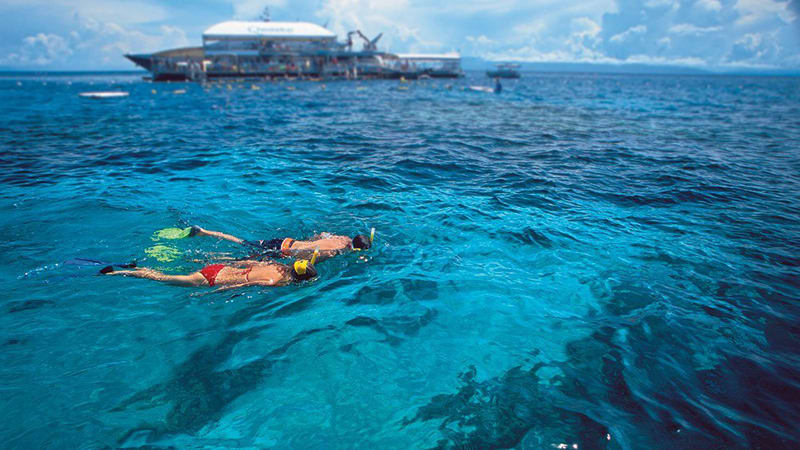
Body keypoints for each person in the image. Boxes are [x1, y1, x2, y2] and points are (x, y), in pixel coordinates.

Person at [101, 252, 318, 292]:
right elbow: (242, 285)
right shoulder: (274, 281)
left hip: (219, 268)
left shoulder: (273, 266)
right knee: (163, 279)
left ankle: (136, 268)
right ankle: (118, 273)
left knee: (166, 275)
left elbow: (245, 265)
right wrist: (211, 293)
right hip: (212, 280)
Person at [188, 225, 373, 261]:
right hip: (282, 251)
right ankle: (202, 260)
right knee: (241, 259)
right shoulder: (336, 252)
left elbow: (320, 236)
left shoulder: (341, 237)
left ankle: (206, 232)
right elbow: (312, 257)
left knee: (243, 241)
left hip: (286, 241)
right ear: (356, 249)